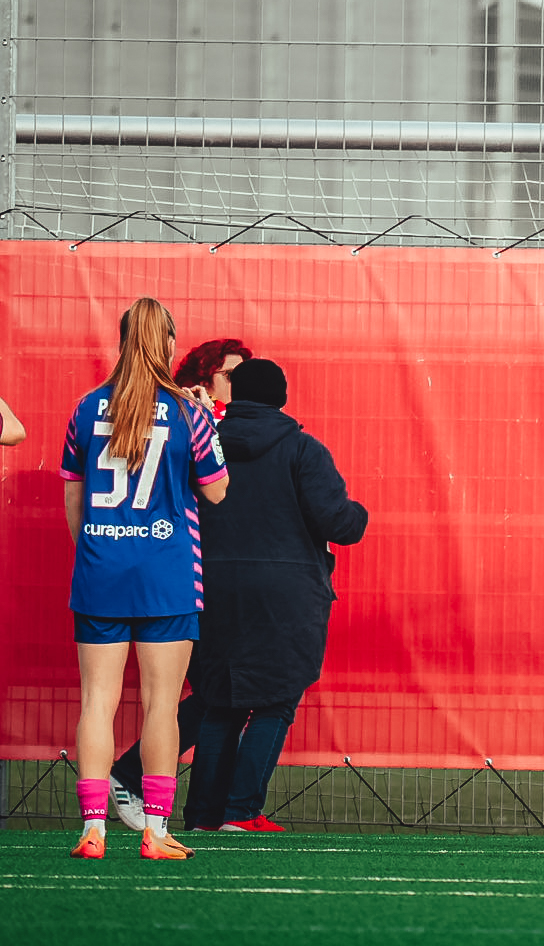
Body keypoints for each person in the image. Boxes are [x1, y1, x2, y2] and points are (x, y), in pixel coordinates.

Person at [59, 297, 229, 860]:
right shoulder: (187, 412)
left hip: (101, 571)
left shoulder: (86, 407)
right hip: (168, 572)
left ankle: (94, 829)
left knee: (97, 701)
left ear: (123, 340)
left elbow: (74, 500)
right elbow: (217, 490)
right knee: (162, 704)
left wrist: (99, 551)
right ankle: (155, 830)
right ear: (169, 344)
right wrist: (210, 421)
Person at [183, 359, 369, 831]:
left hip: (211, 588)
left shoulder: (201, 446)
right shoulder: (303, 449)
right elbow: (339, 524)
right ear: (281, 397)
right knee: (276, 700)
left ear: (235, 395)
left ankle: (203, 816)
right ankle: (241, 811)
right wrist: (359, 513)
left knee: (219, 701)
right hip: (288, 596)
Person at [107, 336, 254, 830]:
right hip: (182, 568)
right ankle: (136, 779)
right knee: (206, 690)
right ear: (204, 378)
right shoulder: (184, 417)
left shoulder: (227, 422)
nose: (238, 385)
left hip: (221, 570)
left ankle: (207, 809)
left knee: (220, 690)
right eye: (231, 375)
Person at [175, 338, 253, 421]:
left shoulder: (250, 417)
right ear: (203, 382)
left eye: (244, 376)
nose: (239, 382)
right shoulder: (183, 416)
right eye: (231, 375)